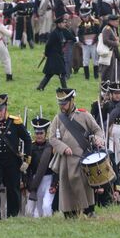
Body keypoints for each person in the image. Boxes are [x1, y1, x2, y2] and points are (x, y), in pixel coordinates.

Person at [48, 88, 105, 218]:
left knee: (84, 184)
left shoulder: (84, 115)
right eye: (60, 104)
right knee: (66, 186)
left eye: (64, 103)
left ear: (71, 101)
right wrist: (63, 147)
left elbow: (97, 130)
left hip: (82, 158)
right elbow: (51, 138)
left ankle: (88, 210)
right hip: (65, 160)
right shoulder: (58, 118)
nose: (62, 107)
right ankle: (69, 212)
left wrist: (98, 139)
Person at [0, 94, 32, 219]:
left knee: (13, 189)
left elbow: (27, 140)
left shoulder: (15, 122)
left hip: (12, 160)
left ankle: (13, 215)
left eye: (0, 110)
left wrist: (27, 159)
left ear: (5, 108)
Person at [25, 117, 57, 218]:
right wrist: (28, 183)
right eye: (37, 133)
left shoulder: (51, 147)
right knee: (37, 211)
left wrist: (54, 183)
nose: (39, 135)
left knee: (46, 206)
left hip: (49, 179)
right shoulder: (31, 147)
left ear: (46, 134)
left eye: (41, 133)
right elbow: (27, 168)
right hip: (35, 181)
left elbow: (56, 167)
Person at [37, 17, 70, 90]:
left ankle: (40, 87)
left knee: (50, 73)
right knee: (61, 72)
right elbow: (48, 45)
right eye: (62, 23)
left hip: (59, 54)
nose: (64, 24)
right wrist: (46, 54)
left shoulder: (61, 32)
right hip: (54, 56)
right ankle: (65, 89)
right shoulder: (54, 33)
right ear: (58, 24)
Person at [98, 14, 120, 83]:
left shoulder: (113, 28)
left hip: (114, 52)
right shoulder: (107, 29)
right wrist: (115, 43)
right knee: (108, 71)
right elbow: (105, 40)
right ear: (111, 21)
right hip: (109, 53)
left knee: (114, 70)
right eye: (116, 21)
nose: (117, 23)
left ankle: (114, 83)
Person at [77, 6, 100, 80]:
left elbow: (98, 32)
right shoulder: (80, 24)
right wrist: (82, 41)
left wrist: (95, 40)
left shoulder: (95, 22)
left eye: (85, 16)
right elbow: (79, 34)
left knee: (95, 59)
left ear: (89, 15)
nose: (84, 18)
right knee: (85, 60)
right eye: (83, 17)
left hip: (94, 43)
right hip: (85, 44)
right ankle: (87, 77)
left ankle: (96, 76)